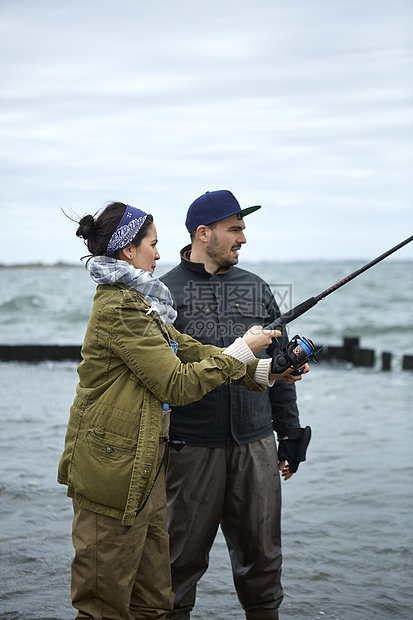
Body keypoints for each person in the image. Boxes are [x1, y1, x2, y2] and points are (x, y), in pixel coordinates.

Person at [57, 201, 299, 620]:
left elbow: (192, 350)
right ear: (128, 251)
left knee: (153, 598)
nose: (157, 253)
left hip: (151, 462)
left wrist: (265, 373)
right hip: (125, 465)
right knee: (110, 600)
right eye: (152, 244)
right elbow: (175, 382)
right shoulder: (126, 305)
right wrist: (244, 350)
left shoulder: (148, 301)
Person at [160, 190, 310, 620]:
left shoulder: (257, 288)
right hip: (188, 449)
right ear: (203, 234)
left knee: (263, 565)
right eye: (235, 229)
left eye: (243, 228)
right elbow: (159, 379)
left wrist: (291, 433)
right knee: (176, 567)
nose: (243, 238)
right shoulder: (164, 292)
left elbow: (280, 368)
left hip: (256, 446)